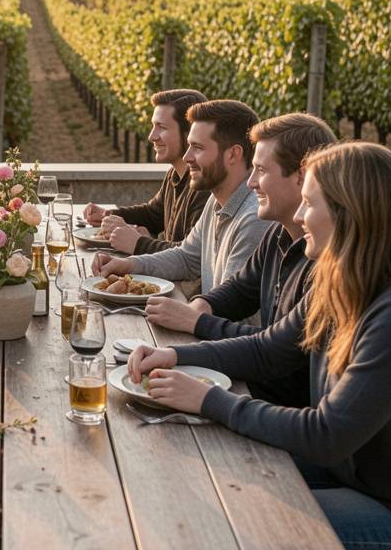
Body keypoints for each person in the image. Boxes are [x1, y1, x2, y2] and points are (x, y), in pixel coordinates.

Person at [130, 142, 391, 549]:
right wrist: (175, 356)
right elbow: (267, 350)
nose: (296, 216)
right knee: (212, 475)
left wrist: (209, 400)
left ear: (350, 213)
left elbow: (326, 434)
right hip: (355, 476)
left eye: (308, 203)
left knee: (238, 523)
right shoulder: (345, 282)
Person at [144, 113, 337, 407]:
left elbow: (273, 352)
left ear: (302, 176)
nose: (251, 183)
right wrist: (197, 314)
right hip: (261, 400)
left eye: (260, 170)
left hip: (276, 412)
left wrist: (197, 323)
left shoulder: (322, 264)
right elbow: (241, 289)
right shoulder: (278, 234)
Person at [93, 99, 272, 299]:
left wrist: (183, 314)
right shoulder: (216, 201)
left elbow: (229, 305)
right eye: (189, 146)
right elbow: (186, 258)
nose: (187, 157)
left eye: (197, 147)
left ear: (233, 154)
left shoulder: (253, 218)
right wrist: (129, 264)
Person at [82, 89, 209, 254]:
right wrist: (108, 214)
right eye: (153, 126)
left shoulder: (204, 186)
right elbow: (153, 214)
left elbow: (190, 256)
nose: (152, 136)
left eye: (161, 127)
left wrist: (139, 243)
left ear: (189, 133)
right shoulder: (174, 174)